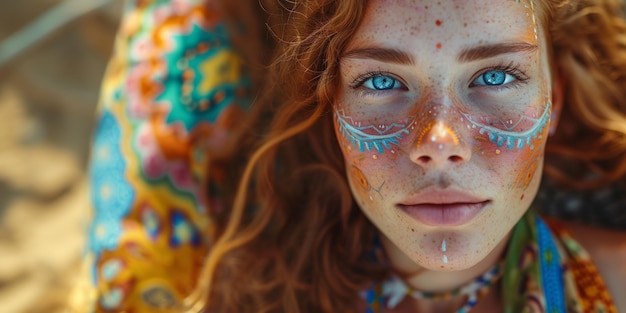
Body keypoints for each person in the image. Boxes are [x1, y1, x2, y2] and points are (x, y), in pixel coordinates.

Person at [71, 0, 626, 312]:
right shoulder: (234, 294)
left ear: (553, 102)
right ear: (329, 108)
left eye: (496, 75)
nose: (439, 143)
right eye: (382, 80)